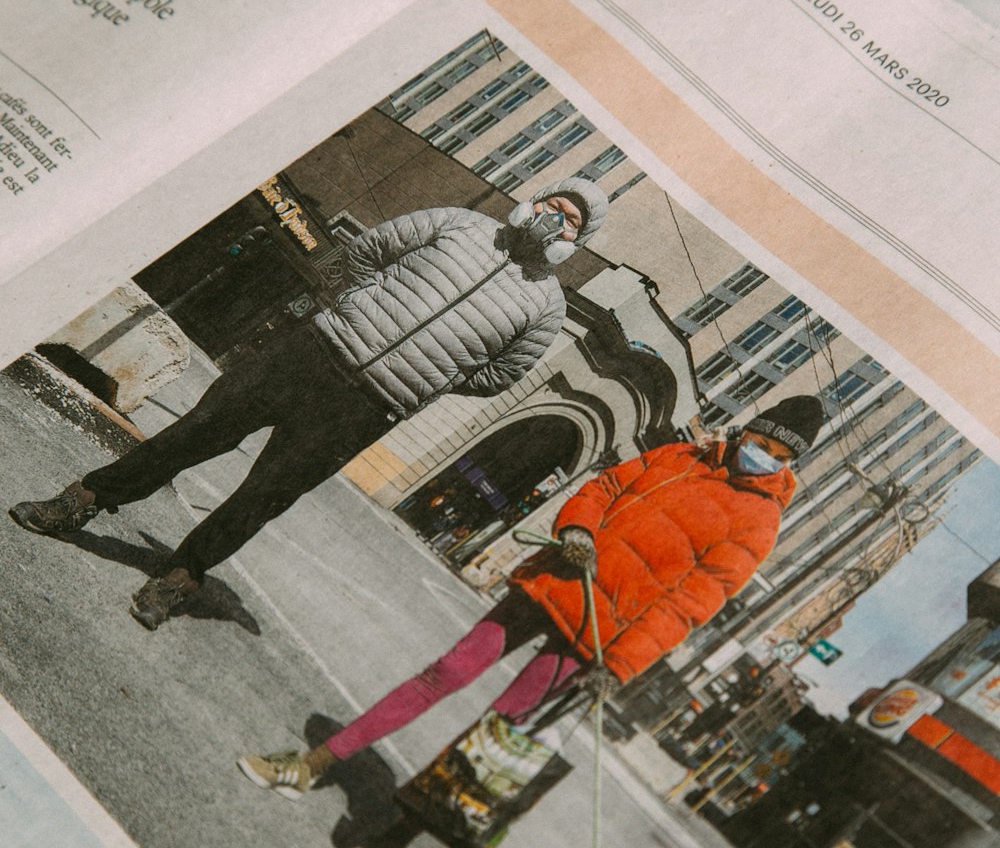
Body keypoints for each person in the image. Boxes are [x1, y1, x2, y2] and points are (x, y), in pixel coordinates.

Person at [238, 394, 825, 848]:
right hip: (555, 580)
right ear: (747, 427)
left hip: (595, 636)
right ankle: (313, 763)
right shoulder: (680, 456)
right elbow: (602, 490)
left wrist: (618, 665)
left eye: (777, 455)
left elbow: (693, 603)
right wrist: (576, 529)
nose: (761, 457)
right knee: (444, 671)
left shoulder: (759, 522)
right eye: (761, 441)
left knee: (490, 742)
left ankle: (386, 845)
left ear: (788, 463)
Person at [9, 178, 608, 629]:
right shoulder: (457, 223)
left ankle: (179, 576)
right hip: (312, 352)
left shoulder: (546, 306)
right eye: (556, 204)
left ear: (575, 244)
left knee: (266, 493)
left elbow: (500, 375)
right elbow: (366, 252)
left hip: (371, 406)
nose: (558, 220)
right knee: (197, 432)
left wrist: (426, 373)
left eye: (573, 223)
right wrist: (361, 310)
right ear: (535, 199)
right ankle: (83, 499)